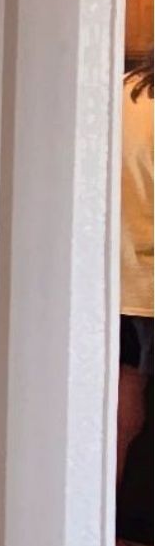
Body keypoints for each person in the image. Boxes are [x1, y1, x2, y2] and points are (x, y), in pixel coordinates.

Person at [118, 52, 153, 483]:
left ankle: (103, 527)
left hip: (112, 275)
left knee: (123, 395)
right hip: (147, 280)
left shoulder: (125, 88)